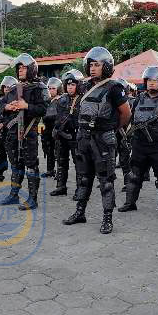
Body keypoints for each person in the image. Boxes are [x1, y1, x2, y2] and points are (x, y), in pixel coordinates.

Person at [63, 47, 131, 234]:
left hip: (103, 140)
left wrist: (111, 128)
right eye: (91, 65)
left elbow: (126, 114)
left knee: (106, 181)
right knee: (84, 178)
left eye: (97, 65)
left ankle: (107, 218)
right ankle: (80, 212)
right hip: (84, 138)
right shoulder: (84, 86)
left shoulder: (115, 88)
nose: (93, 68)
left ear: (106, 66)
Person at [118, 66, 158, 219]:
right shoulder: (139, 98)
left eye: (155, 80)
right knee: (134, 175)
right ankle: (130, 203)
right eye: (149, 80)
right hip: (139, 145)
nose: (151, 83)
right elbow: (132, 118)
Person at [0, 53, 48, 210]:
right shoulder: (14, 88)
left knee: (31, 165)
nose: (20, 70)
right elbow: (1, 105)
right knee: (15, 164)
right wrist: (7, 107)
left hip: (28, 132)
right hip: (13, 133)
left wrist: (26, 106)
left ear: (31, 69)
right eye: (19, 67)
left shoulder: (40, 87)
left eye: (24, 67)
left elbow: (44, 109)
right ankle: (14, 195)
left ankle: (32, 199)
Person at [50, 70, 83, 198]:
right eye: (68, 84)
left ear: (78, 85)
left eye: (73, 84)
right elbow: (57, 117)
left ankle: (80, 190)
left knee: (79, 164)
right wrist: (56, 129)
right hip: (62, 136)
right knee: (61, 162)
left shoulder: (83, 99)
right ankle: (61, 187)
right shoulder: (62, 99)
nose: (70, 87)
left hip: (76, 136)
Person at [115, 78, 136, 191]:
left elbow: (134, 117)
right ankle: (108, 179)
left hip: (126, 133)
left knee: (124, 159)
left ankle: (128, 182)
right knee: (109, 157)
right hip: (114, 131)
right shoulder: (111, 100)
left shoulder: (132, 101)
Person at [41, 77, 62, 178]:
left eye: (53, 88)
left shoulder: (61, 100)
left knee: (59, 151)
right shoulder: (47, 101)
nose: (50, 90)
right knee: (48, 150)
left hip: (57, 129)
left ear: (58, 89)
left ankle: (60, 172)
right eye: (49, 88)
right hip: (47, 128)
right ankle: (50, 170)